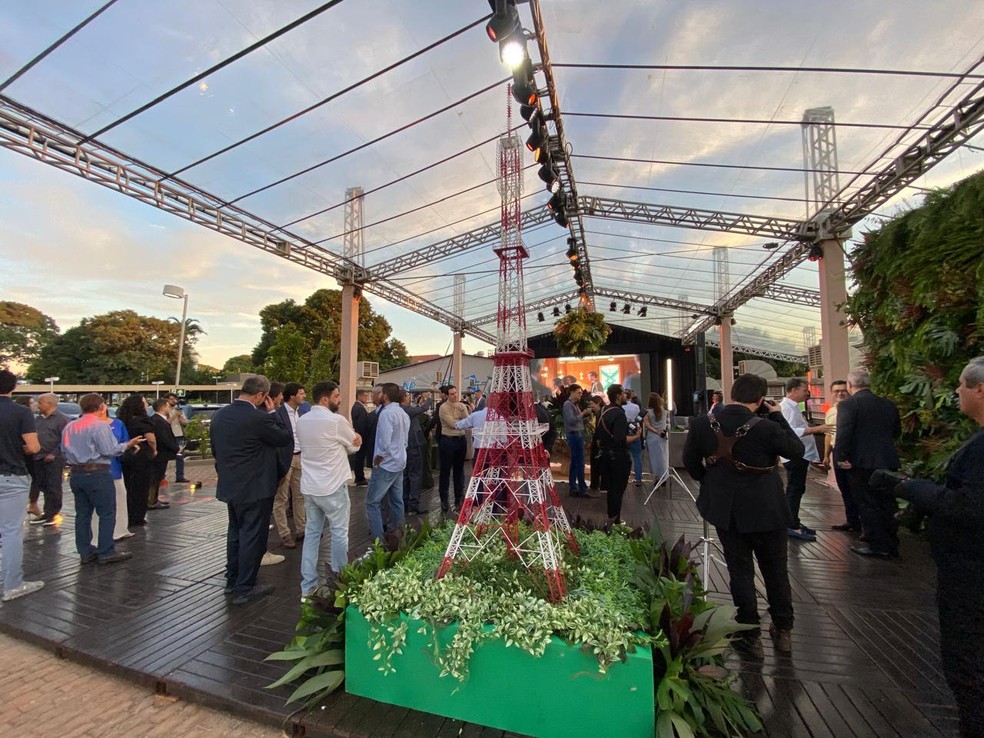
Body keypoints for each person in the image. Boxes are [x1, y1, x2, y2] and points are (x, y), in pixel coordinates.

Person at [886, 356, 984, 737]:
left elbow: (970, 506)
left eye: (961, 384)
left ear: (980, 389)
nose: (956, 390)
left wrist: (915, 490)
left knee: (966, 659)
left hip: (970, 572)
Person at [683, 373, 805, 659]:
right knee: (776, 570)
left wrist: (710, 481)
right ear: (761, 400)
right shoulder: (766, 427)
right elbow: (796, 451)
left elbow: (690, 461)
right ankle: (783, 629)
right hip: (767, 509)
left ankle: (751, 635)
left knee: (739, 571)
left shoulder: (702, 424)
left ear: (731, 393)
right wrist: (777, 416)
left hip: (727, 511)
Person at [209, 375, 292, 605]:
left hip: (230, 485)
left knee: (235, 533)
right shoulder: (258, 418)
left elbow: (216, 450)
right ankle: (244, 587)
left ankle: (232, 579)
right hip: (256, 488)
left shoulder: (220, 415)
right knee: (252, 537)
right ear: (261, 396)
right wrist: (274, 413)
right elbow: (284, 438)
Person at [297, 380, 361, 597]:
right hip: (333, 486)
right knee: (339, 533)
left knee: (312, 534)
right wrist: (357, 441)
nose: (340, 399)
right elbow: (352, 446)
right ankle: (339, 581)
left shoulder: (302, 420)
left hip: (310, 486)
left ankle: (308, 586)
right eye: (336, 396)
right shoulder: (336, 421)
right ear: (325, 399)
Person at [62, 393, 143, 566]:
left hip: (76, 473)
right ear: (101, 407)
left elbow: (63, 450)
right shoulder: (99, 426)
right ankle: (106, 550)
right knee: (106, 512)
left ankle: (85, 551)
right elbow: (109, 450)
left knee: (82, 514)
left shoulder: (70, 426)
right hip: (97, 472)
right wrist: (126, 445)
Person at [834, 369, 902, 558]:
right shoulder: (888, 404)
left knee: (867, 503)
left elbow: (844, 433)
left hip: (861, 462)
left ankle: (876, 544)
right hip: (887, 460)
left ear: (849, 385)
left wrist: (841, 457)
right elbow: (897, 432)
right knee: (888, 502)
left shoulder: (848, 405)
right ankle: (891, 542)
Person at [0, 370, 44, 602]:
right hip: (11, 476)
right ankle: (12, 584)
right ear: (14, 387)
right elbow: (34, 447)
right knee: (10, 533)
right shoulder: (21, 412)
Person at [780, 378, 830, 542]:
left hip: (800, 455)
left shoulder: (792, 407)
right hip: (795, 456)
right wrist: (817, 429)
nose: (806, 393)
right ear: (793, 389)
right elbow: (791, 430)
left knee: (797, 489)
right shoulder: (786, 408)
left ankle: (794, 521)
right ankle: (790, 523)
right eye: (804, 389)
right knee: (794, 490)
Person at [366, 383, 410, 541]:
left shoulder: (386, 414)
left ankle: (379, 541)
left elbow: (384, 443)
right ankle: (399, 534)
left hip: (386, 464)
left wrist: (378, 460)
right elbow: (404, 440)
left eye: (380, 393)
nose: (377, 396)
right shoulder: (402, 413)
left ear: (385, 395)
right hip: (399, 462)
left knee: (372, 502)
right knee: (397, 501)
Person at [596, 384, 639, 524]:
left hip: (605, 456)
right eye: (623, 393)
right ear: (618, 396)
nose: (625, 395)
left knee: (610, 489)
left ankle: (611, 516)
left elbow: (597, 438)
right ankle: (616, 519)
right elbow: (621, 439)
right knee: (618, 489)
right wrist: (637, 436)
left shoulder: (603, 410)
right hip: (618, 457)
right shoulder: (619, 414)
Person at [821, 380, 860, 532]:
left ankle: (860, 521)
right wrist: (826, 455)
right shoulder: (831, 411)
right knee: (843, 486)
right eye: (836, 391)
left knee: (855, 487)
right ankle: (851, 520)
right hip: (837, 451)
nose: (840, 393)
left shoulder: (854, 409)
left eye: (843, 390)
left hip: (851, 452)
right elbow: (828, 434)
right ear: (832, 393)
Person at [273, 382, 307, 549]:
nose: (304, 396)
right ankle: (284, 533)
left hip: (300, 457)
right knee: (282, 498)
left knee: (300, 495)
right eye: (301, 393)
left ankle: (302, 529)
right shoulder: (279, 413)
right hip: (286, 459)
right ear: (292, 396)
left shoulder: (301, 412)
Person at [28, 393, 68, 527]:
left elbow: (65, 440)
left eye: (40, 403)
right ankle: (46, 512)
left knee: (53, 486)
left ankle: (53, 513)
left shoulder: (62, 419)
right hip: (38, 457)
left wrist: (55, 453)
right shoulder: (37, 419)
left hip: (53, 459)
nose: (38, 405)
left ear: (50, 404)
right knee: (42, 485)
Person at [117, 394, 157, 525]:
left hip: (126, 455)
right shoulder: (142, 421)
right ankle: (137, 516)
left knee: (128, 485)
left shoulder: (123, 420)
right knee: (141, 486)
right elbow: (151, 439)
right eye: (145, 402)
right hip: (141, 456)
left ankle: (127, 513)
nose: (147, 405)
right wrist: (154, 449)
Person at [437, 385, 469, 513]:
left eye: (456, 393)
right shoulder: (443, 407)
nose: (455, 395)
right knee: (445, 472)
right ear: (446, 395)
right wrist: (460, 418)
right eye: (451, 394)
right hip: (448, 440)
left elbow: (467, 421)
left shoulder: (461, 406)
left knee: (459, 470)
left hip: (461, 440)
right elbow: (453, 424)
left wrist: (462, 413)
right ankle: (444, 500)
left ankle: (458, 498)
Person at [400, 391, 431, 515]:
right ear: (403, 398)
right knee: (415, 475)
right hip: (413, 445)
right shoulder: (405, 409)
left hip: (405, 446)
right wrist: (428, 399)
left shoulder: (398, 410)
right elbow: (423, 409)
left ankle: (405, 502)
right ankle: (413, 504)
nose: (409, 399)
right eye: (407, 396)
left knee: (406, 476)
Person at [563, 384, 593, 497]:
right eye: (579, 393)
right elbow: (571, 420)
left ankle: (576, 487)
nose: (580, 395)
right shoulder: (568, 405)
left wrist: (587, 417)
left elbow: (577, 422)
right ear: (572, 392)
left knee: (577, 462)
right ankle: (580, 488)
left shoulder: (574, 405)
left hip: (577, 434)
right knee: (578, 462)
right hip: (574, 435)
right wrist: (582, 414)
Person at [149, 398, 179, 509]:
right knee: (155, 477)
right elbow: (163, 438)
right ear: (162, 407)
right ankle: (151, 500)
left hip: (161, 454)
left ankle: (154, 499)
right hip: (160, 454)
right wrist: (175, 448)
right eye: (167, 406)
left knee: (158, 477)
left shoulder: (157, 419)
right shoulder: (158, 421)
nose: (169, 408)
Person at [164, 393, 190, 483]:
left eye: (175, 399)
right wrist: (175, 415)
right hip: (169, 435)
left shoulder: (179, 410)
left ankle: (180, 476)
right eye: (171, 399)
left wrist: (182, 420)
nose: (174, 401)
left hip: (179, 434)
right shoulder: (165, 411)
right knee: (165, 457)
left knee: (180, 457)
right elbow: (165, 423)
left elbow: (185, 423)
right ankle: (162, 477)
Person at [643, 392, 668, 482]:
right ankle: (664, 476)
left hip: (652, 437)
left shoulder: (648, 412)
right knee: (663, 457)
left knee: (653, 457)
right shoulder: (663, 411)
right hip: (663, 437)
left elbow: (647, 425)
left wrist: (656, 431)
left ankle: (656, 477)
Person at [349, 389, 371, 486]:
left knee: (360, 457)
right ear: (359, 396)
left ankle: (360, 476)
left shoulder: (357, 407)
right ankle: (359, 477)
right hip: (362, 436)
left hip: (360, 435)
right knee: (360, 458)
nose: (367, 398)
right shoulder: (359, 408)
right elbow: (362, 424)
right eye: (365, 396)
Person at [623, 391, 644, 487]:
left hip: (624, 433)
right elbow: (639, 418)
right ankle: (638, 478)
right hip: (635, 432)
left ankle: (624, 477)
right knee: (637, 457)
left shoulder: (621, 408)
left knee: (624, 457)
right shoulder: (636, 407)